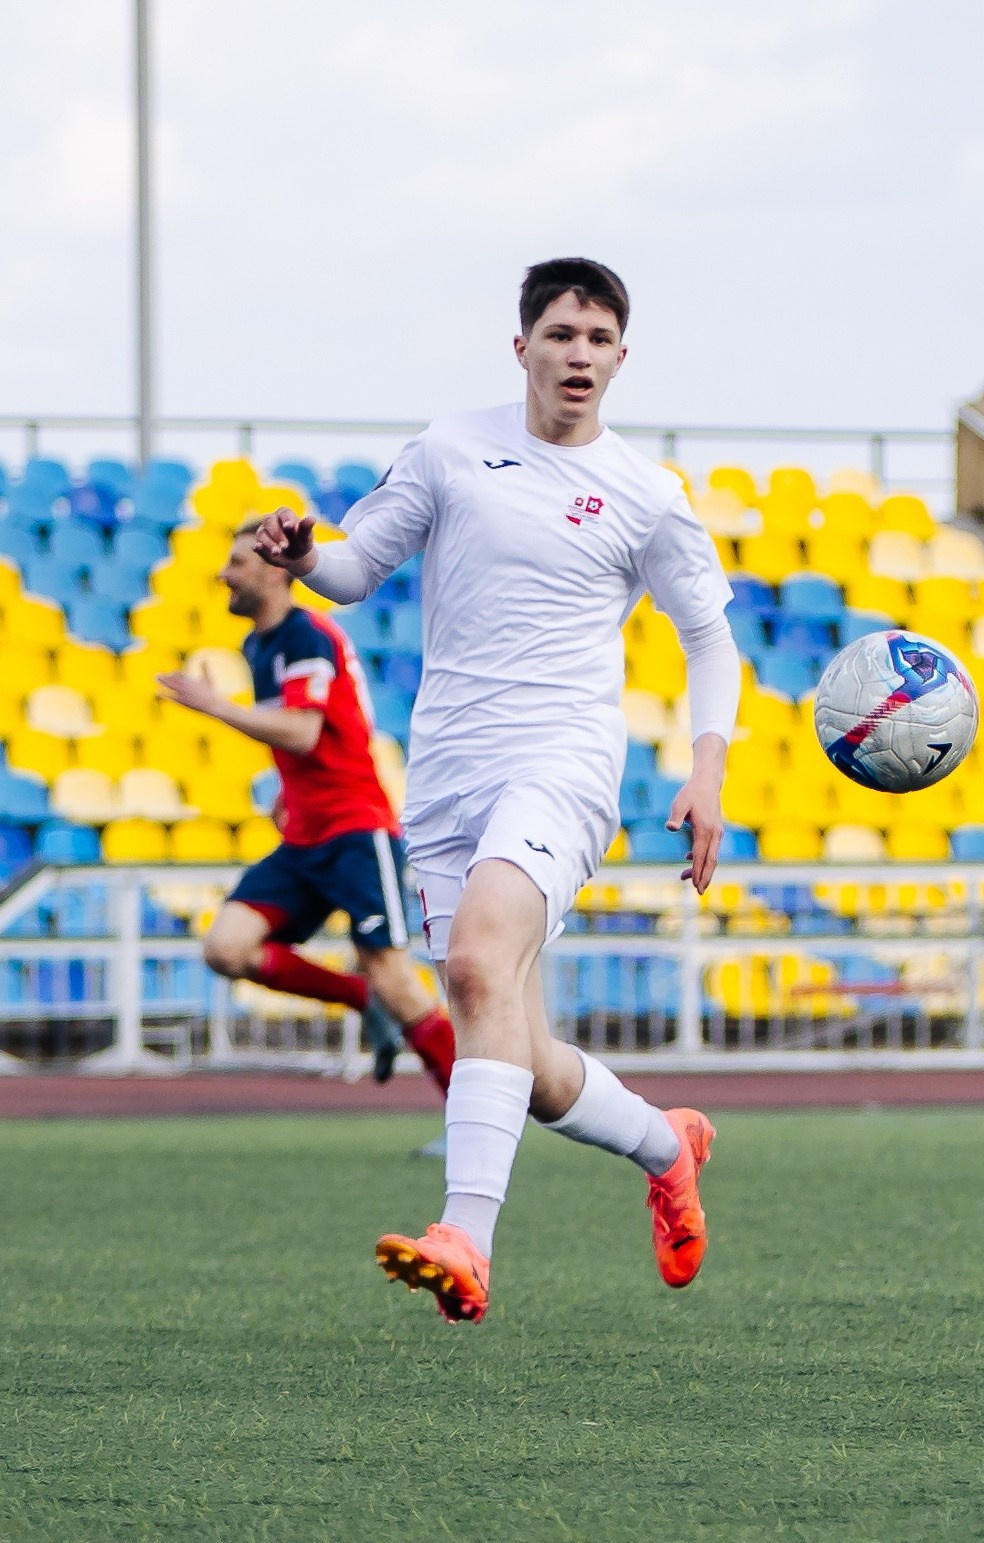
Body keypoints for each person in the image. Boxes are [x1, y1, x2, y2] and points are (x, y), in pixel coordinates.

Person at [250, 258, 741, 1325]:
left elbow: (709, 638)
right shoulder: (448, 448)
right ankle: (667, 1144)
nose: (579, 354)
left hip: (560, 765)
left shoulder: (648, 496)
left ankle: (463, 1236)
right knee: (518, 1047)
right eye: (560, 334)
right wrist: (300, 556)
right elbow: (353, 569)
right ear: (521, 347)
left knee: (472, 962)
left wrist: (706, 772)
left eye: (598, 338)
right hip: (447, 777)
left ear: (620, 357)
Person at [159, 524, 455, 1092]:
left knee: (395, 975)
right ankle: (360, 998)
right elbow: (305, 735)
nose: (224, 574)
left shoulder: (305, 636)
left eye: (237, 562)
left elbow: (301, 732)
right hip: (306, 835)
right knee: (227, 948)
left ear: (274, 571)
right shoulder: (261, 643)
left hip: (354, 829)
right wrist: (284, 794)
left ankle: (466, 1116)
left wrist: (217, 707)